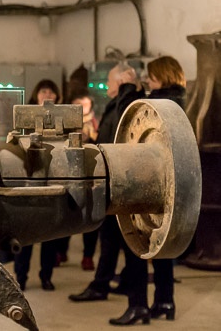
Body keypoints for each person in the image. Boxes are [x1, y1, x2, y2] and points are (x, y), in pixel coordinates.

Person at [111, 56, 187, 326]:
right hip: (171, 186)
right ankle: (165, 301)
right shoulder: (180, 101)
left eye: (152, 78)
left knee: (137, 246)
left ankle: (138, 305)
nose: (148, 81)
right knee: (161, 246)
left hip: (146, 181)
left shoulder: (159, 103)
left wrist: (127, 89)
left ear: (163, 77)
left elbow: (126, 121)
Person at [68, 63, 145, 313]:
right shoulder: (116, 103)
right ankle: (103, 284)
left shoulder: (127, 101)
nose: (107, 85)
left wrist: (128, 88)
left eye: (111, 81)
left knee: (125, 241)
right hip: (113, 179)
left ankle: (134, 300)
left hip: (122, 181)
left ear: (122, 81)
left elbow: (123, 130)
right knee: (110, 238)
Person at [14, 79, 61, 291]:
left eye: (51, 91)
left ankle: (46, 276)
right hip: (28, 179)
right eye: (43, 91)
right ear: (36, 94)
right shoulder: (26, 116)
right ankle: (21, 277)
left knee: (50, 236)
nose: (47, 95)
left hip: (53, 178)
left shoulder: (62, 117)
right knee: (25, 233)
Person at [71, 92, 99, 271]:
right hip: (69, 170)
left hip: (92, 170)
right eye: (77, 104)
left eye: (85, 105)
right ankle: (60, 251)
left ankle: (88, 256)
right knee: (67, 213)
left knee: (90, 215)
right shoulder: (66, 121)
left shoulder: (96, 123)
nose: (81, 109)